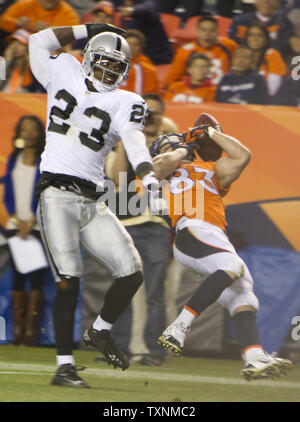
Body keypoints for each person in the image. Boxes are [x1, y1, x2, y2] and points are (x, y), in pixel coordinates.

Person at [28, 22, 166, 388]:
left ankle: (100, 331)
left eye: (116, 66)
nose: (108, 71)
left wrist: (148, 175)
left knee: (132, 271)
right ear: (88, 58)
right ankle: (64, 366)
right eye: (103, 62)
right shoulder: (63, 68)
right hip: (56, 191)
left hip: (94, 198)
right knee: (68, 280)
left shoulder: (127, 100)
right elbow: (38, 40)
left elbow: (135, 142)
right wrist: (88, 26)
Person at [149, 115, 293, 381]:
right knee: (234, 267)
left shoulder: (211, 169)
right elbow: (159, 167)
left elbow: (242, 155)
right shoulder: (163, 167)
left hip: (214, 235)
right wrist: (183, 147)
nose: (178, 145)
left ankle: (254, 356)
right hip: (191, 229)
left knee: (244, 293)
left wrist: (211, 132)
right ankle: (179, 326)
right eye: (170, 144)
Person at [106, 93, 177, 366]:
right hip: (125, 224)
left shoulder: (168, 145)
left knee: (156, 293)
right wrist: (128, 135)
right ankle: (118, 347)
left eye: (156, 113)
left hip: (157, 226)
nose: (151, 117)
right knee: (121, 289)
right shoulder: (123, 144)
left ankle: (155, 352)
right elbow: (119, 181)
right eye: (146, 112)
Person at [4, 115, 46, 346]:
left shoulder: (45, 160)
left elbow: (43, 191)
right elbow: (9, 190)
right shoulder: (14, 157)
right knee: (18, 277)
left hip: (37, 225)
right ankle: (18, 331)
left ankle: (32, 332)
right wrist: (14, 216)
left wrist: (30, 219)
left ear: (40, 133)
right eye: (24, 129)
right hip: (14, 226)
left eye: (33, 129)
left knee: (36, 278)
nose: (28, 133)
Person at [165, 15, 238, 88]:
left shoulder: (229, 45)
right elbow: (171, 82)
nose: (207, 34)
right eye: (203, 30)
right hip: (196, 95)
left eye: (211, 31)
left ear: (217, 33)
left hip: (223, 93)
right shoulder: (185, 51)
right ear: (197, 32)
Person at [117, 0, 173, 65]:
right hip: (133, 59)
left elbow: (149, 8)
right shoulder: (119, 4)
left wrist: (132, 10)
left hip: (157, 60)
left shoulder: (147, 4)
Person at [243, 23, 286, 96]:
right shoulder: (240, 55)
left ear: (266, 40)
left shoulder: (273, 55)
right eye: (251, 35)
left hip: (265, 102)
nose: (255, 39)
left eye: (260, 36)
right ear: (246, 38)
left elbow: (273, 90)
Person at [0, 0, 80, 35]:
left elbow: (73, 33)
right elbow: (3, 20)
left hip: (49, 50)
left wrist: (49, 29)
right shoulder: (25, 4)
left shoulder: (68, 13)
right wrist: (17, 22)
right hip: (20, 44)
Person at [120, 29, 160, 95]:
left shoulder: (141, 67)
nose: (131, 48)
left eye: (135, 44)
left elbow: (138, 97)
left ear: (141, 48)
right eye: (128, 44)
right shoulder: (117, 62)